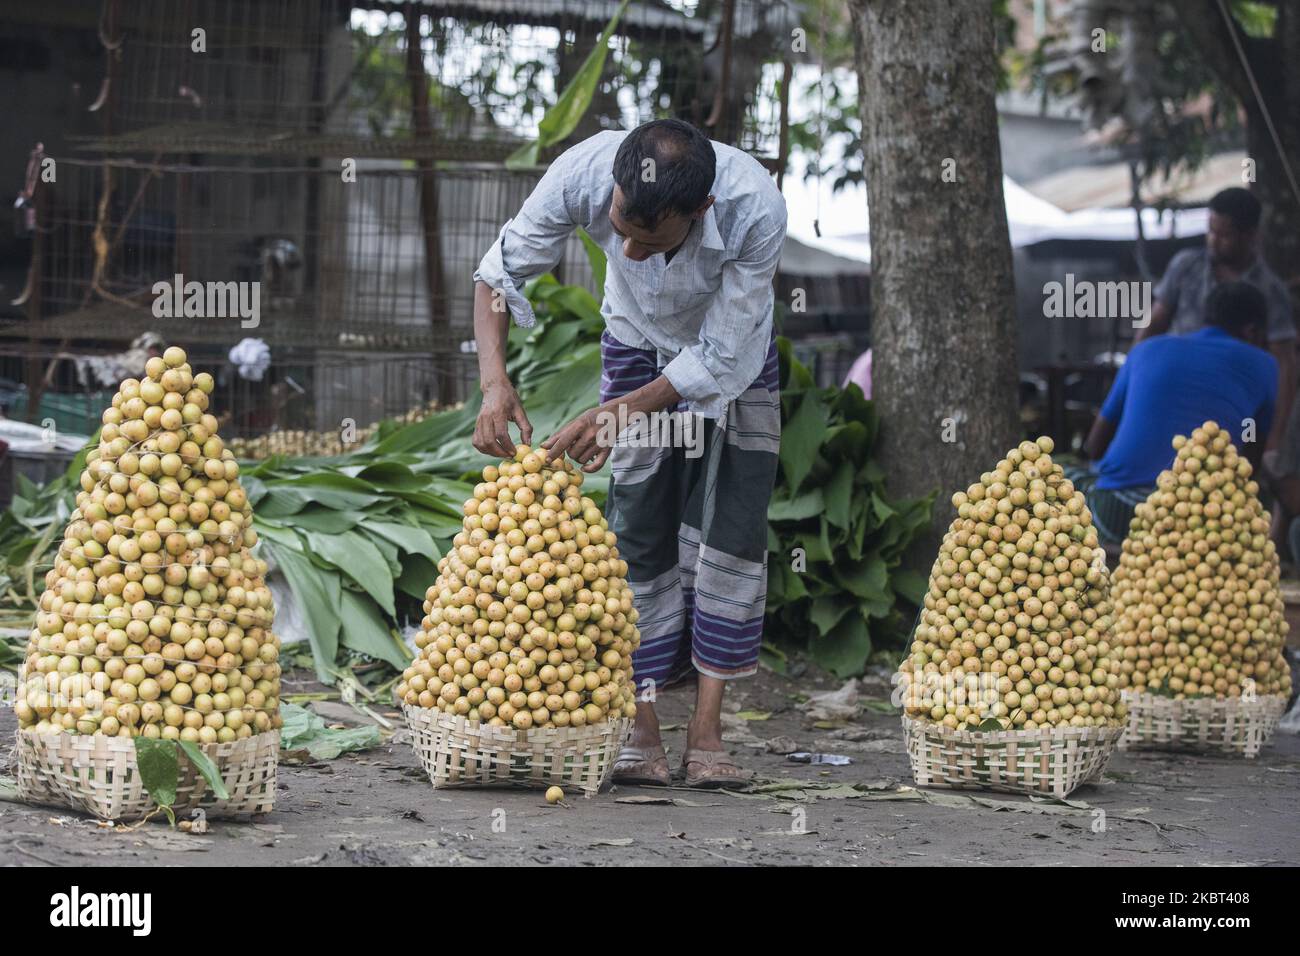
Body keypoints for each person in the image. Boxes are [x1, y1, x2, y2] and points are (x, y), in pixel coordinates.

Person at [471, 119, 787, 788]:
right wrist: (493, 380)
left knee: (732, 532)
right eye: (622, 232)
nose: (633, 254)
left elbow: (724, 355)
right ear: (614, 183)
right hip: (635, 338)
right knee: (635, 528)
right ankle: (641, 725)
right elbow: (499, 274)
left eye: (654, 241)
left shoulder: (754, 207)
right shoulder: (580, 172)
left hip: (734, 357)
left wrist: (616, 411)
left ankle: (707, 731)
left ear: (700, 211)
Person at [1082, 281, 1278, 545]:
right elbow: (1250, 450)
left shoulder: (1146, 349)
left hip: (1121, 510)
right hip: (1209, 521)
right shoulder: (1265, 365)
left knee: (1070, 474)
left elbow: (1094, 446)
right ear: (1253, 330)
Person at [1136, 187, 1295, 450]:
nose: (1214, 240)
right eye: (1211, 231)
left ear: (1250, 235)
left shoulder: (1270, 291)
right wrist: (1133, 373)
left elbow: (1285, 365)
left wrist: (1275, 439)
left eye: (1225, 235)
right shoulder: (1186, 266)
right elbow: (1153, 326)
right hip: (1177, 390)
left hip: (1233, 400)